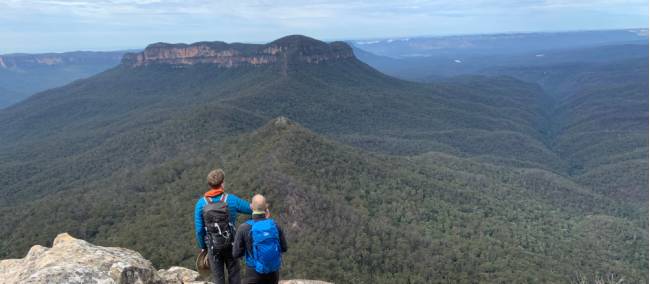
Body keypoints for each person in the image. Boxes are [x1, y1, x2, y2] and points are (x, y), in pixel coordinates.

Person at [194, 169, 253, 284]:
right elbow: (252, 209)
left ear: (210, 185)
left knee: (218, 277)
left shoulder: (201, 204)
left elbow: (199, 230)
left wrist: (203, 247)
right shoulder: (231, 200)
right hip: (231, 243)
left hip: (212, 245)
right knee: (234, 274)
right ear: (222, 183)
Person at [233, 194, 288, 284]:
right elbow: (284, 248)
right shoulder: (274, 225)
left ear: (251, 207)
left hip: (253, 274)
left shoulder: (244, 227)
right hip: (273, 274)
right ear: (266, 207)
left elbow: (236, 253)